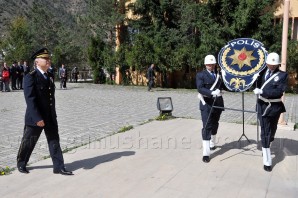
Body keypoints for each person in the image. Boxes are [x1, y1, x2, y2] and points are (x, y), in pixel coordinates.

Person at [16, 48, 73, 175]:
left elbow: (50, 98)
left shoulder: (49, 76)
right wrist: (37, 118)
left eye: (49, 58)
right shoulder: (30, 77)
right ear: (37, 62)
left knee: (54, 141)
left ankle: (59, 166)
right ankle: (21, 163)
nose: (48, 61)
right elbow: (30, 100)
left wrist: (53, 114)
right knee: (29, 142)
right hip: (36, 118)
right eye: (45, 59)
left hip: (50, 117)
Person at [253, 52, 288, 172]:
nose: (271, 66)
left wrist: (261, 92)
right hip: (262, 106)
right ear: (266, 63)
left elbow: (279, 92)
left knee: (272, 130)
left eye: (274, 64)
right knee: (265, 132)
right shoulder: (261, 72)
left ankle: (268, 142)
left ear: (278, 64)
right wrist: (254, 80)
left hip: (274, 107)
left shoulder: (283, 75)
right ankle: (267, 161)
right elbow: (254, 84)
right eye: (269, 64)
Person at [196, 55, 224, 163]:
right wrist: (211, 92)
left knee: (215, 124)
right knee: (206, 126)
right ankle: (206, 153)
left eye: (212, 64)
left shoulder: (219, 75)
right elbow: (200, 88)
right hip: (206, 103)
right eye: (208, 64)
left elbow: (224, 86)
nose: (211, 66)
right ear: (205, 64)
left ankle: (212, 143)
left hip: (218, 102)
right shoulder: (201, 75)